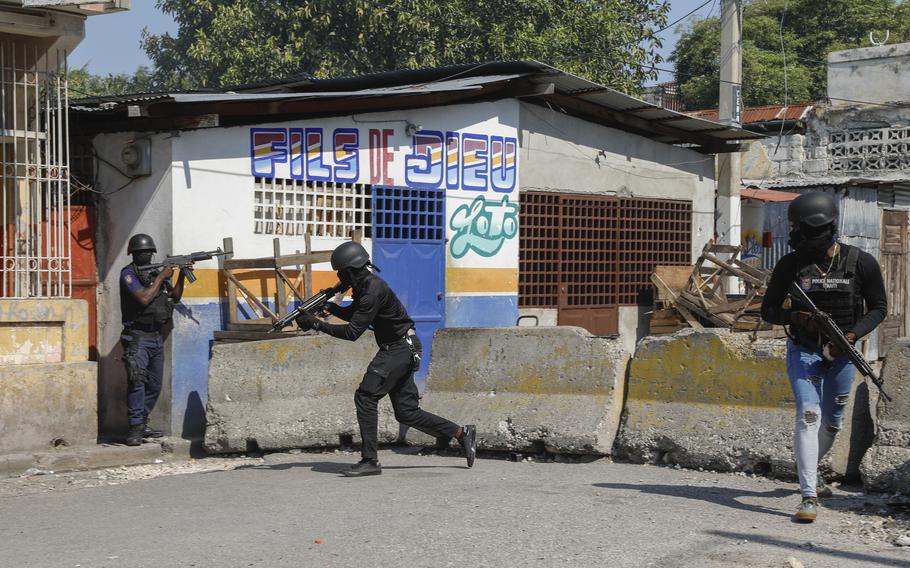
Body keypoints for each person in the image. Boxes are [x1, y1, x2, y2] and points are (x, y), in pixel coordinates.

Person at [294, 241, 476, 477]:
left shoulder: (371, 290)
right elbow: (356, 313)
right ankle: (462, 433)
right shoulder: (365, 287)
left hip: (398, 349)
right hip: (405, 348)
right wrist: (331, 308)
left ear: (349, 271)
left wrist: (316, 324)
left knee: (366, 396)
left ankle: (370, 460)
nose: (340, 277)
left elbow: (352, 332)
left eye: (341, 272)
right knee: (407, 413)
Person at [761, 192, 886, 523]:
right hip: (804, 351)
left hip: (843, 354)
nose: (795, 235)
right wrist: (797, 318)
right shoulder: (790, 265)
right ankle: (808, 496)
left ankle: (812, 472)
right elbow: (769, 310)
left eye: (799, 229)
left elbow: (879, 308)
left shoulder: (861, 263)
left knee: (832, 421)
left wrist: (853, 334)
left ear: (822, 227)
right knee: (809, 416)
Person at [119, 233, 190, 446]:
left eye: (150, 252)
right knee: (137, 383)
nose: (147, 255)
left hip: (156, 336)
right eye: (143, 252)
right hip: (137, 337)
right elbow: (144, 298)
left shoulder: (157, 272)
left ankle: (142, 422)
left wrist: (181, 275)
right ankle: (134, 429)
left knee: (155, 385)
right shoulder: (128, 274)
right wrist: (161, 277)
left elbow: (174, 297)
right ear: (134, 254)